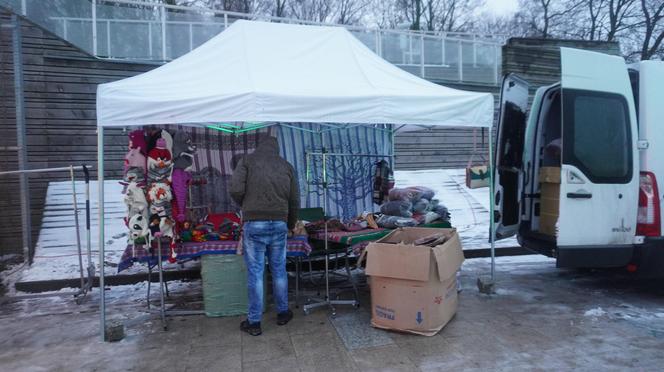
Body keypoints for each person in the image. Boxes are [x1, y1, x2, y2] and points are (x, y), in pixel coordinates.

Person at [229, 136, 300, 336]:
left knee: (256, 273)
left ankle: (254, 323)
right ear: (276, 149)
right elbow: (294, 199)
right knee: (279, 270)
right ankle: (283, 313)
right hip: (279, 223)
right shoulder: (286, 166)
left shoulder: (247, 161)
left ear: (258, 147)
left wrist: (246, 204)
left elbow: (235, 189)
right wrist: (291, 223)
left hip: (254, 223)